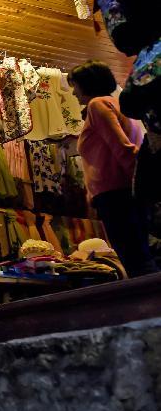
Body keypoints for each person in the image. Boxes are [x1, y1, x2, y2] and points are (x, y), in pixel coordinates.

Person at [68, 61, 153, 276]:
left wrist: (138, 185)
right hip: (124, 192)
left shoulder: (98, 105)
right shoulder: (117, 104)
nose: (73, 91)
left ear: (86, 84)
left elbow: (122, 148)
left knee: (135, 260)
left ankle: (148, 306)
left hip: (117, 194)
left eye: (75, 85)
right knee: (141, 255)